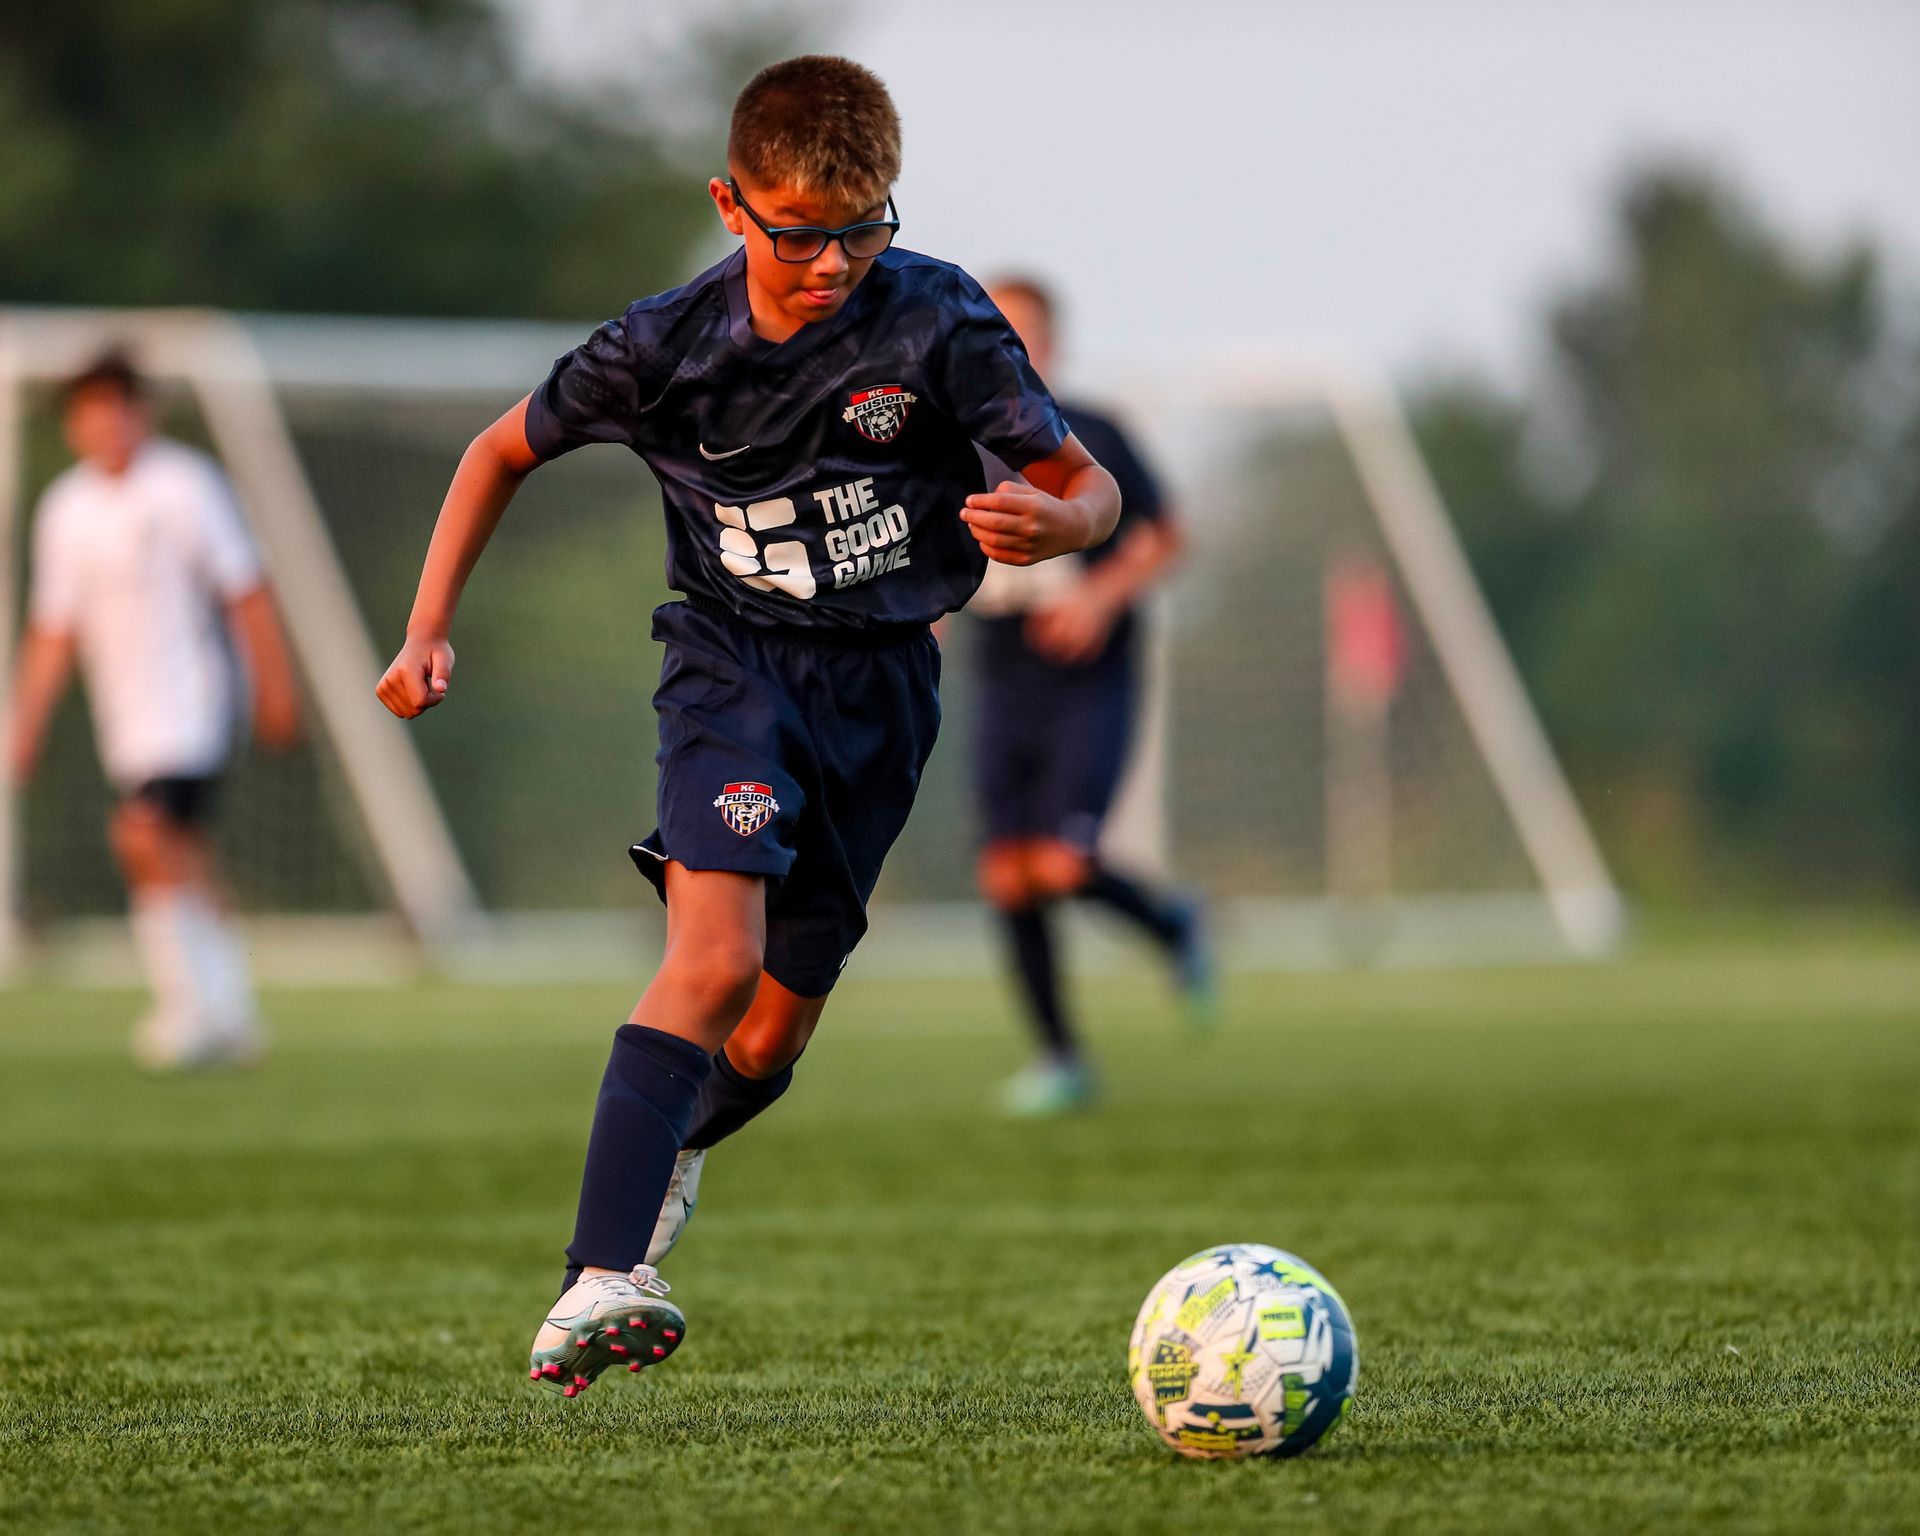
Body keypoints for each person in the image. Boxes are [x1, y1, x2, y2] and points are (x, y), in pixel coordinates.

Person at [373, 55, 1120, 1398]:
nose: (833, 262)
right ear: (733, 205)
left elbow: (1090, 486)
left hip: (884, 691)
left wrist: (1059, 524)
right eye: (800, 234)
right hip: (730, 668)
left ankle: (668, 1154)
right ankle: (600, 1275)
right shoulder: (667, 349)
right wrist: (427, 625)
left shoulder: (939, 317)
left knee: (770, 1040)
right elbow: (499, 451)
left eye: (863, 227)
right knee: (712, 962)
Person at [9, 350, 301, 1068]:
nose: (107, 423)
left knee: (141, 832)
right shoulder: (67, 508)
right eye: (91, 410)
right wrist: (26, 722)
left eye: (119, 406)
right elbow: (54, 629)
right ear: (75, 422)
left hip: (193, 699)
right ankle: (230, 1012)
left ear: (143, 412)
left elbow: (246, 589)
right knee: (178, 852)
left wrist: (275, 684)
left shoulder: (184, 485)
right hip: (127, 715)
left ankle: (187, 1010)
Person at [967, 278, 1214, 1117]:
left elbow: (1166, 533)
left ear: (1053, 343)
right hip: (1000, 666)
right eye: (997, 328)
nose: (1013, 344)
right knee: (1007, 873)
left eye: (1027, 331)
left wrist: (1098, 599)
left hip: (1089, 672)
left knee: (1064, 862)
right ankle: (1060, 1057)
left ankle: (1171, 923)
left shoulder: (1092, 430)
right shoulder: (947, 435)